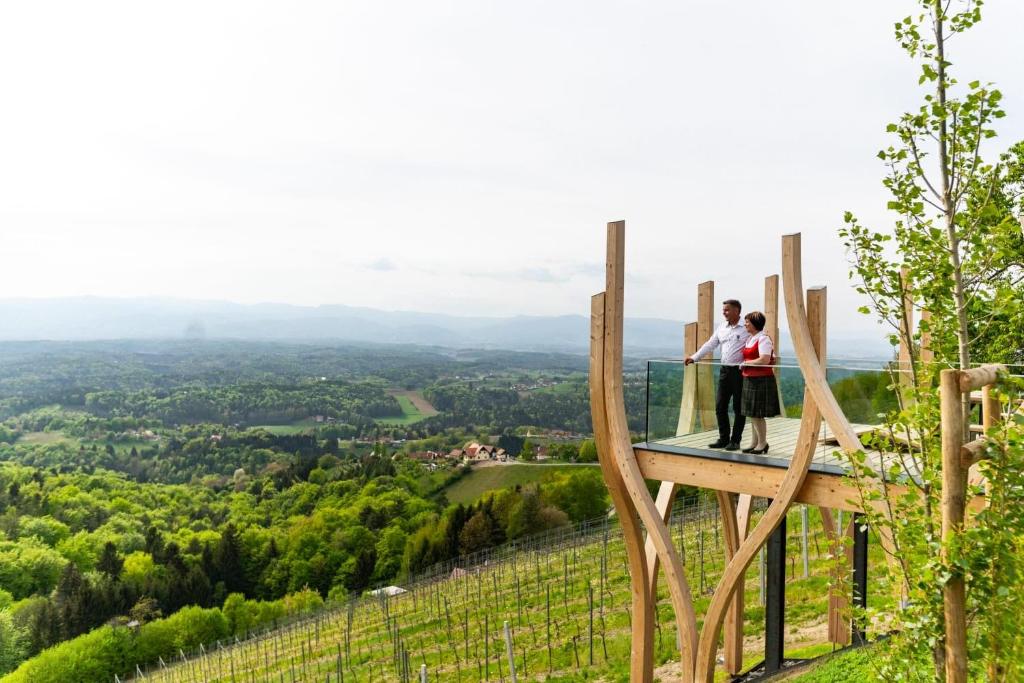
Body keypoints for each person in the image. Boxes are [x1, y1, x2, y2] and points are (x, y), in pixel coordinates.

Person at [685, 299, 749, 450]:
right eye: (723, 310)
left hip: (740, 372)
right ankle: (723, 439)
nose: (724, 312)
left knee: (738, 408)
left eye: (727, 310)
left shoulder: (746, 328)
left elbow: (757, 343)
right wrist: (694, 357)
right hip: (724, 371)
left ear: (736, 311)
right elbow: (710, 344)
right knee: (720, 406)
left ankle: (735, 441)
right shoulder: (722, 328)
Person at [738, 310, 780, 454]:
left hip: (761, 380)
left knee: (758, 414)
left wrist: (746, 363)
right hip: (750, 378)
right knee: (752, 413)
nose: (745, 324)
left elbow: (765, 359)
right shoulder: (751, 338)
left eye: (747, 322)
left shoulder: (763, 339)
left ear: (755, 324)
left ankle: (762, 443)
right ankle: (754, 442)